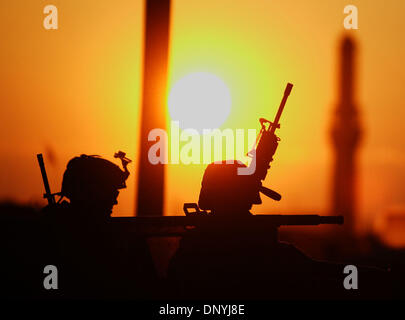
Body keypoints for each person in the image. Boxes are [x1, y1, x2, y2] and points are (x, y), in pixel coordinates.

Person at [168, 161, 391, 299]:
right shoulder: (267, 257)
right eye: (247, 191)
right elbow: (319, 276)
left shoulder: (190, 252)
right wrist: (380, 279)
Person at [39, 154, 157, 299]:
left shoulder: (54, 231)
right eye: (111, 194)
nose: (115, 202)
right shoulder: (56, 235)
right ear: (92, 193)